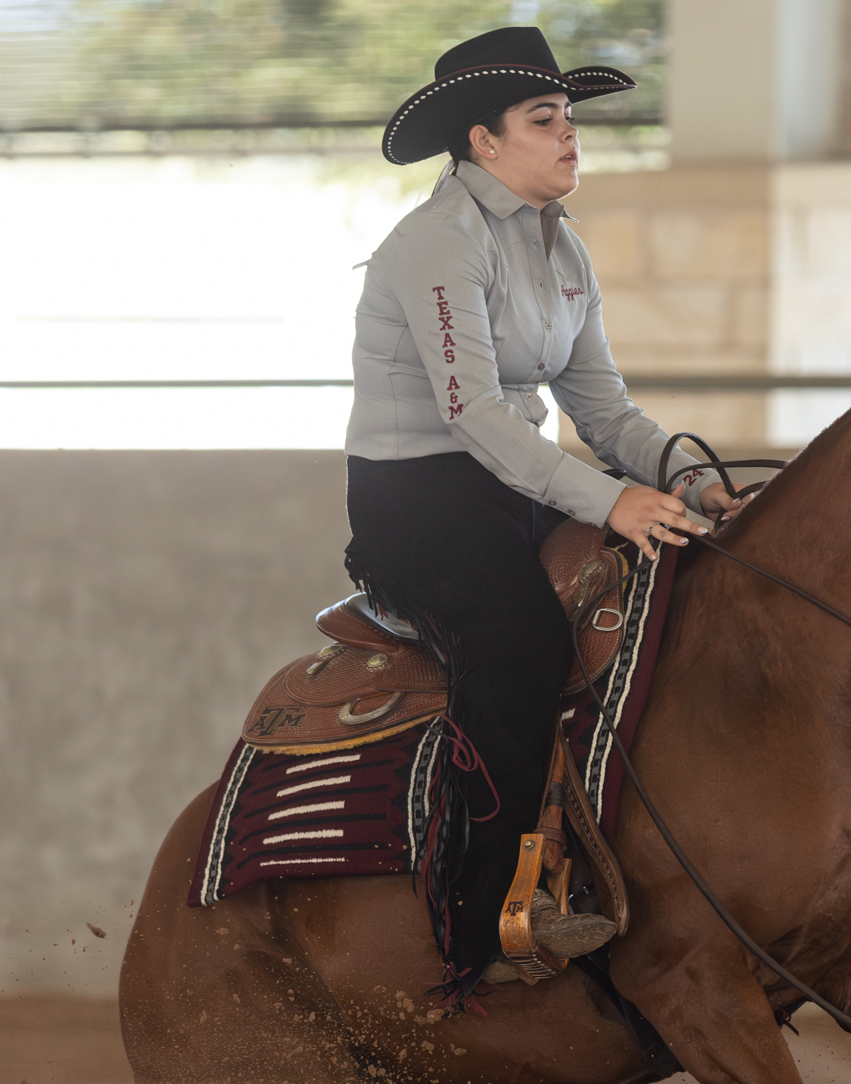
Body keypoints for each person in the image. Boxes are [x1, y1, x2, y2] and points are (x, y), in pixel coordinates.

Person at [344, 26, 740, 997]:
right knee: (518, 645)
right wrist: (613, 501)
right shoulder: (436, 243)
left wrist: (686, 479)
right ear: (482, 142)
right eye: (544, 119)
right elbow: (474, 414)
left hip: (512, 484)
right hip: (418, 500)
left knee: (665, 597)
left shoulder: (560, 247)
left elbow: (600, 407)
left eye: (568, 117)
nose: (570, 135)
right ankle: (486, 923)